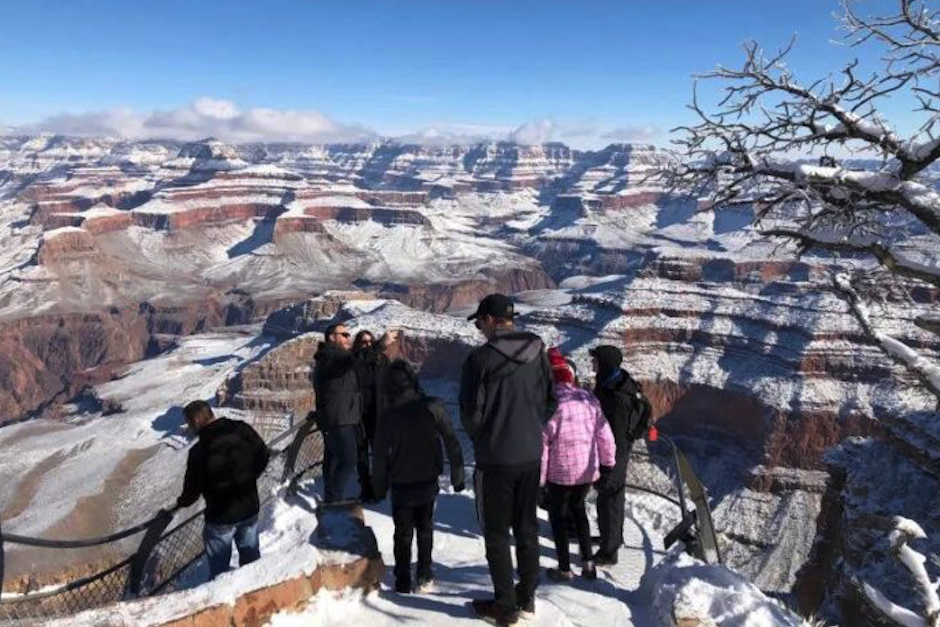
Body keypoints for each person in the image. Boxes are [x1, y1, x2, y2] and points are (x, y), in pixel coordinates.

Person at [460, 293, 558, 626]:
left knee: (497, 532)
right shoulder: (538, 351)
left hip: (496, 459)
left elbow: (470, 414)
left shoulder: (480, 360)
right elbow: (551, 401)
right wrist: (529, 428)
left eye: (479, 323)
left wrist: (485, 438)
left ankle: (505, 606)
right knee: (527, 527)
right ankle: (527, 596)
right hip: (531, 455)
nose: (479, 329)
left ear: (489, 320)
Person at [371, 360, 465, 594]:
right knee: (425, 527)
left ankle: (402, 579)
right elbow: (451, 440)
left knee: (402, 532)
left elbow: (379, 456)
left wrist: (378, 486)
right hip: (427, 479)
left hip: (401, 482)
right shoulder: (433, 406)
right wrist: (457, 473)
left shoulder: (388, 416)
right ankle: (424, 573)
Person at [540, 348, 615, 583]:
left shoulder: (548, 404)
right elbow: (605, 435)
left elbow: (542, 448)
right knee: (579, 512)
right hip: (586, 471)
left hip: (559, 474)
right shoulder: (587, 397)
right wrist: (607, 465)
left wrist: (539, 482)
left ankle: (564, 570)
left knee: (559, 519)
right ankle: (588, 565)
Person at [174, 400, 270, 579]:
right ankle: (256, 587)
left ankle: (224, 592)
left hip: (220, 518)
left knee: (219, 573)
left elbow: (191, 492)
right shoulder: (241, 429)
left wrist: (180, 503)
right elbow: (263, 454)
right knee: (252, 562)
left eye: (189, 423)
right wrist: (250, 477)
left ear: (196, 421)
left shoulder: (199, 451)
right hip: (249, 507)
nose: (189, 428)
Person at [313, 323, 398, 503]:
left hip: (350, 416)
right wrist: (380, 344)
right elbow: (354, 361)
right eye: (344, 334)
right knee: (349, 459)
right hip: (340, 418)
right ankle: (333, 500)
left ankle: (333, 498)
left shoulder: (336, 356)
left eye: (348, 334)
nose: (347, 337)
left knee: (337, 459)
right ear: (332, 337)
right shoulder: (331, 356)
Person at [590, 344, 649, 566]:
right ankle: (611, 539)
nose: (592, 363)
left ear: (605, 363)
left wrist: (607, 462)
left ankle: (609, 552)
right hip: (614, 451)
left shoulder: (616, 397)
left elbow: (614, 434)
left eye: (596, 360)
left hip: (615, 454)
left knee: (609, 499)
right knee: (611, 497)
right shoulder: (612, 382)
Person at [353, 329, 390, 503]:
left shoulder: (382, 360)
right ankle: (365, 487)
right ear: (357, 344)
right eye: (364, 342)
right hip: (358, 415)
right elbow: (359, 362)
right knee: (361, 453)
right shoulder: (354, 360)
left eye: (370, 342)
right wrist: (378, 346)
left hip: (378, 414)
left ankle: (379, 486)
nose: (367, 345)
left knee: (379, 453)